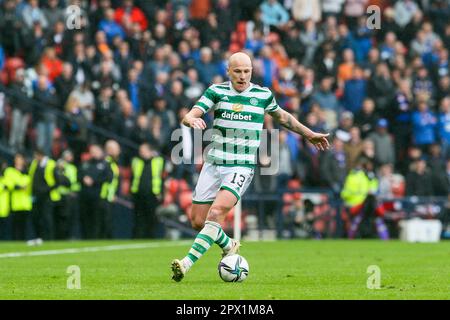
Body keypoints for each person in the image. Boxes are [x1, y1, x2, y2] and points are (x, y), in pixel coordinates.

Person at [171, 52, 330, 282]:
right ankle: (229, 244)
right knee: (198, 221)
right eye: (237, 71)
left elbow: (284, 118)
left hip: (241, 167)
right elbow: (191, 113)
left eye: (246, 71)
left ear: (252, 71)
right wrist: (191, 119)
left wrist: (310, 134)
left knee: (215, 214)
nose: (242, 76)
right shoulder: (217, 91)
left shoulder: (263, 95)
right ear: (228, 71)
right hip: (214, 163)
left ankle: (185, 264)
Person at [130, 143, 165, 238]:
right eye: (140, 151)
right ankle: (138, 237)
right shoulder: (136, 161)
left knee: (152, 218)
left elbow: (162, 179)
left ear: (150, 151)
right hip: (138, 194)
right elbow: (132, 177)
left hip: (152, 194)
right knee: (138, 219)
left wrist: (161, 193)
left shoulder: (159, 161)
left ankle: (150, 237)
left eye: (143, 151)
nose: (141, 153)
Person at [29, 149, 62, 243]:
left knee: (47, 217)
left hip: (48, 196)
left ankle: (49, 238)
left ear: (41, 155)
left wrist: (46, 190)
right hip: (36, 195)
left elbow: (57, 182)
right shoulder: (34, 164)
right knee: (36, 217)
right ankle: (39, 237)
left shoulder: (51, 164)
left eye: (36, 155)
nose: (35, 158)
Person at [4, 153, 32, 241]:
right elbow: (10, 184)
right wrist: (19, 186)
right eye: (17, 159)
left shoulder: (27, 172)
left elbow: (27, 184)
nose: (19, 161)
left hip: (25, 203)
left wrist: (19, 185)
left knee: (24, 226)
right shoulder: (9, 171)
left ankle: (23, 242)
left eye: (20, 159)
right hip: (14, 203)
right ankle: (16, 241)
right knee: (15, 226)